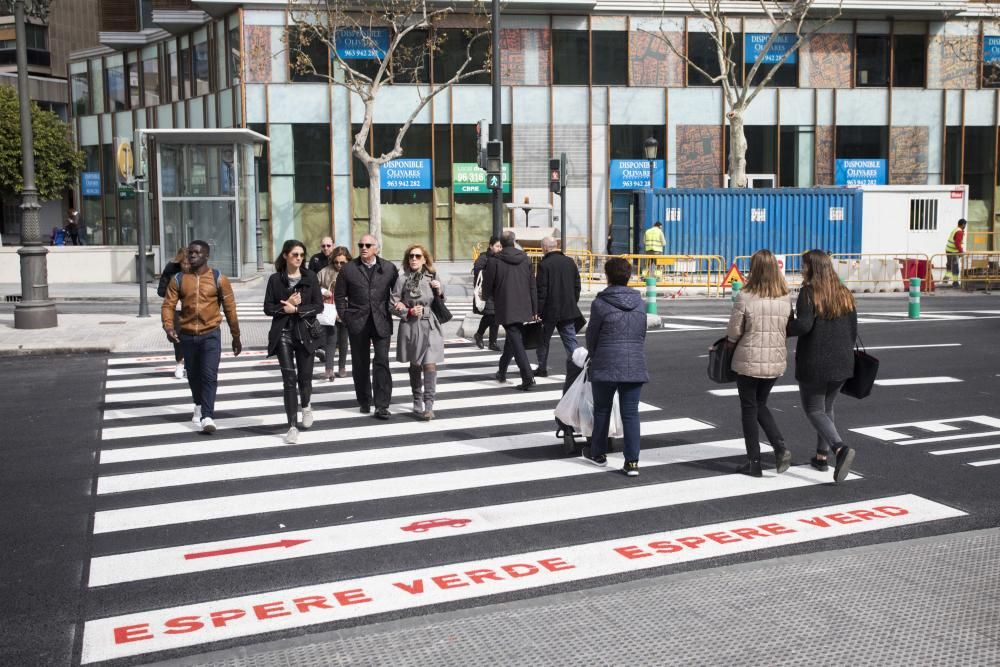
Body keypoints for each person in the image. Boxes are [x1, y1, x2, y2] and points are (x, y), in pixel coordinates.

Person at [787, 249, 859, 484]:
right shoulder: (845, 293)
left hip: (816, 362)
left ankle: (840, 449)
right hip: (843, 361)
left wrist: (787, 325)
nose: (801, 269)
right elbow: (853, 330)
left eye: (804, 265)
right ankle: (821, 456)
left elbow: (805, 326)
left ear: (813, 268)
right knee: (827, 408)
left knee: (814, 409)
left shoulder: (809, 293)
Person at [161, 240, 242, 435]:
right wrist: (168, 327)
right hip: (187, 335)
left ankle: (207, 416)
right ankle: (198, 403)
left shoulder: (218, 278)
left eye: (197, 253)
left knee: (209, 376)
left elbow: (230, 308)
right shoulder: (178, 279)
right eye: (190, 253)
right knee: (194, 376)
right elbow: (168, 305)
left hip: (210, 335)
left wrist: (235, 336)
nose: (192, 256)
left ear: (206, 256)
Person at [725, 249, 792, 478]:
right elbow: (787, 326)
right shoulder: (785, 296)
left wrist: (729, 346)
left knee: (749, 408)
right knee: (760, 404)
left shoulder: (745, 295)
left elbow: (734, 331)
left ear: (754, 269)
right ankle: (780, 446)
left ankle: (754, 461)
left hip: (748, 359)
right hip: (775, 359)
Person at [582, 257, 648, 476]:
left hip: (606, 361)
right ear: (628, 277)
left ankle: (598, 453)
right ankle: (632, 462)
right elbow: (642, 333)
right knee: (631, 413)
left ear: (608, 276)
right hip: (635, 362)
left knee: (602, 409)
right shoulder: (640, 302)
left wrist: (593, 354)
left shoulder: (600, 303)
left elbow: (592, 336)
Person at [264, 240, 324, 444]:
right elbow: (267, 308)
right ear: (285, 256)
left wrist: (297, 309)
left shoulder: (310, 277)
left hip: (305, 333)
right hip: (283, 333)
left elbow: (319, 306)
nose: (299, 258)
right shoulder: (275, 280)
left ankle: (306, 405)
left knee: (304, 378)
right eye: (295, 254)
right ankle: (292, 426)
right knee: (289, 380)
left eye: (301, 255)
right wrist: (286, 306)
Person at [334, 234, 399, 419]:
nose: (364, 247)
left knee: (381, 362)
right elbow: (339, 296)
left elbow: (397, 292)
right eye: (361, 244)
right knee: (360, 363)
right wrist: (345, 316)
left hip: (381, 322)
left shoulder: (388, 268)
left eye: (368, 245)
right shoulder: (348, 269)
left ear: (376, 248)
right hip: (357, 322)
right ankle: (364, 401)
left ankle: (382, 405)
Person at [391, 244, 445, 420]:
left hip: (430, 324)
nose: (414, 259)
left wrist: (439, 289)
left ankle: (429, 405)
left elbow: (441, 300)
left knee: (430, 363)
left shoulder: (432, 276)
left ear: (424, 259)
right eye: (411, 256)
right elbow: (392, 304)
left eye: (417, 256)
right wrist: (407, 310)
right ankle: (417, 399)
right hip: (411, 325)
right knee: (415, 364)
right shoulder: (402, 279)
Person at [484, 231, 537, 391]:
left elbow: (487, 285)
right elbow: (532, 284)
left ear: (502, 243)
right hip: (524, 304)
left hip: (505, 305)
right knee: (513, 339)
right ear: (514, 242)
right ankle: (501, 371)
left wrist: (486, 297)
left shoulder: (494, 261)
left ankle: (527, 377)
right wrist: (535, 308)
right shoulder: (526, 259)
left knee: (515, 340)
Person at [535, 236, 582, 377]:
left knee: (543, 341)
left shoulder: (544, 265)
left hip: (550, 311)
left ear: (544, 248)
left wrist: (538, 310)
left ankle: (542, 368)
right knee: (570, 341)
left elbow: (541, 291)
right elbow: (577, 285)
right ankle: (577, 369)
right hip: (568, 309)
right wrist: (573, 301)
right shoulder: (569, 262)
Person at [316, 246, 352, 381]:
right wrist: (323, 291)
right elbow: (313, 286)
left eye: (342, 262)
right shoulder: (325, 272)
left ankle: (342, 368)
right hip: (330, 310)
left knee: (343, 340)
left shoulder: (353, 272)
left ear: (348, 261)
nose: (338, 265)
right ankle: (329, 369)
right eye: (336, 262)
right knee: (330, 340)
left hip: (347, 310)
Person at [157, 248, 189, 380]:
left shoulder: (198, 270)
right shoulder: (171, 269)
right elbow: (161, 291)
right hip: (176, 308)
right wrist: (173, 292)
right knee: (178, 337)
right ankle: (179, 364)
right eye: (183, 263)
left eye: (188, 264)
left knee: (193, 337)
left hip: (193, 308)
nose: (186, 266)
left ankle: (190, 364)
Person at [472, 236, 501, 351]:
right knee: (490, 315)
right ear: (491, 246)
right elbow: (477, 271)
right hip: (486, 291)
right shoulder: (484, 257)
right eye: (497, 246)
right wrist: (491, 272)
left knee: (496, 316)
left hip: (497, 291)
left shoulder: (501, 258)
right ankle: (479, 334)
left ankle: (492, 341)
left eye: (501, 246)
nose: (500, 248)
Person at [944, 218, 966, 287]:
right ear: (963, 224)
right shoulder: (959, 232)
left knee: (949, 265)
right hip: (954, 252)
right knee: (955, 267)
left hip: (948, 250)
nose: (965, 226)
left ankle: (945, 280)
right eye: (965, 225)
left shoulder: (955, 229)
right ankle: (955, 283)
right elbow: (957, 243)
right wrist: (961, 252)